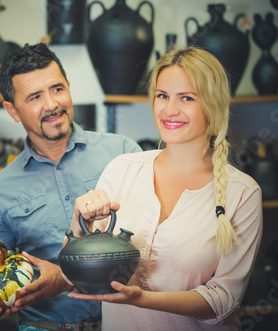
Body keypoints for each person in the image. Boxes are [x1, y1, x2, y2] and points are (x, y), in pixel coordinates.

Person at [66, 46, 263, 330]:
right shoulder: (122, 169)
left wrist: (140, 298)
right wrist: (78, 222)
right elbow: (76, 273)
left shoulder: (242, 193)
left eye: (187, 98)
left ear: (212, 104)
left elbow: (223, 300)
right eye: (162, 96)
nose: (170, 110)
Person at [0, 43, 142, 330]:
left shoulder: (124, 153)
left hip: (130, 321)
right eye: (34, 96)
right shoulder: (0, 189)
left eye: (57, 89)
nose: (52, 104)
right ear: (12, 110)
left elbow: (157, 242)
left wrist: (64, 277)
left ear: (69, 87)